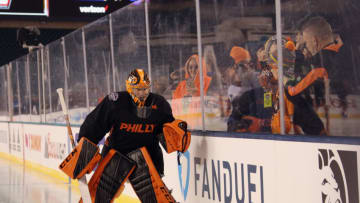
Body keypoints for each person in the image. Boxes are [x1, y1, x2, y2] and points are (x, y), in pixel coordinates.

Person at [59, 69, 191, 203]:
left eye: (145, 89)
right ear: (129, 88)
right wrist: (84, 145)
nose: (142, 93)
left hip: (147, 157)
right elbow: (95, 124)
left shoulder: (160, 104)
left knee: (156, 197)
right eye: (138, 89)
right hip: (116, 153)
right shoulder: (115, 102)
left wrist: (177, 136)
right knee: (99, 196)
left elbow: (167, 132)